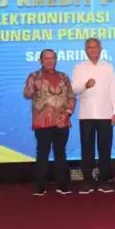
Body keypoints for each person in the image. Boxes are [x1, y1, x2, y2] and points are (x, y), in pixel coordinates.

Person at [23, 49, 76, 196]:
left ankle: (63, 185)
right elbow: (26, 94)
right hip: (42, 122)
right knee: (42, 153)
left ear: (56, 60)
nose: (50, 61)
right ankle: (41, 186)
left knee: (60, 153)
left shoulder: (64, 77)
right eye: (46, 58)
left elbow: (71, 97)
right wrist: (34, 86)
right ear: (41, 61)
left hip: (62, 121)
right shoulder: (34, 76)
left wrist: (67, 113)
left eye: (52, 58)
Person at [71, 38, 115, 194]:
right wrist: (85, 85)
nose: (92, 50)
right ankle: (88, 182)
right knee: (87, 149)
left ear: (100, 49)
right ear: (85, 50)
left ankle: (104, 181)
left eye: (95, 47)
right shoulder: (79, 67)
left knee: (105, 149)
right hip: (86, 114)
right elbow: (73, 89)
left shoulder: (108, 66)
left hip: (105, 114)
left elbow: (113, 90)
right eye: (89, 47)